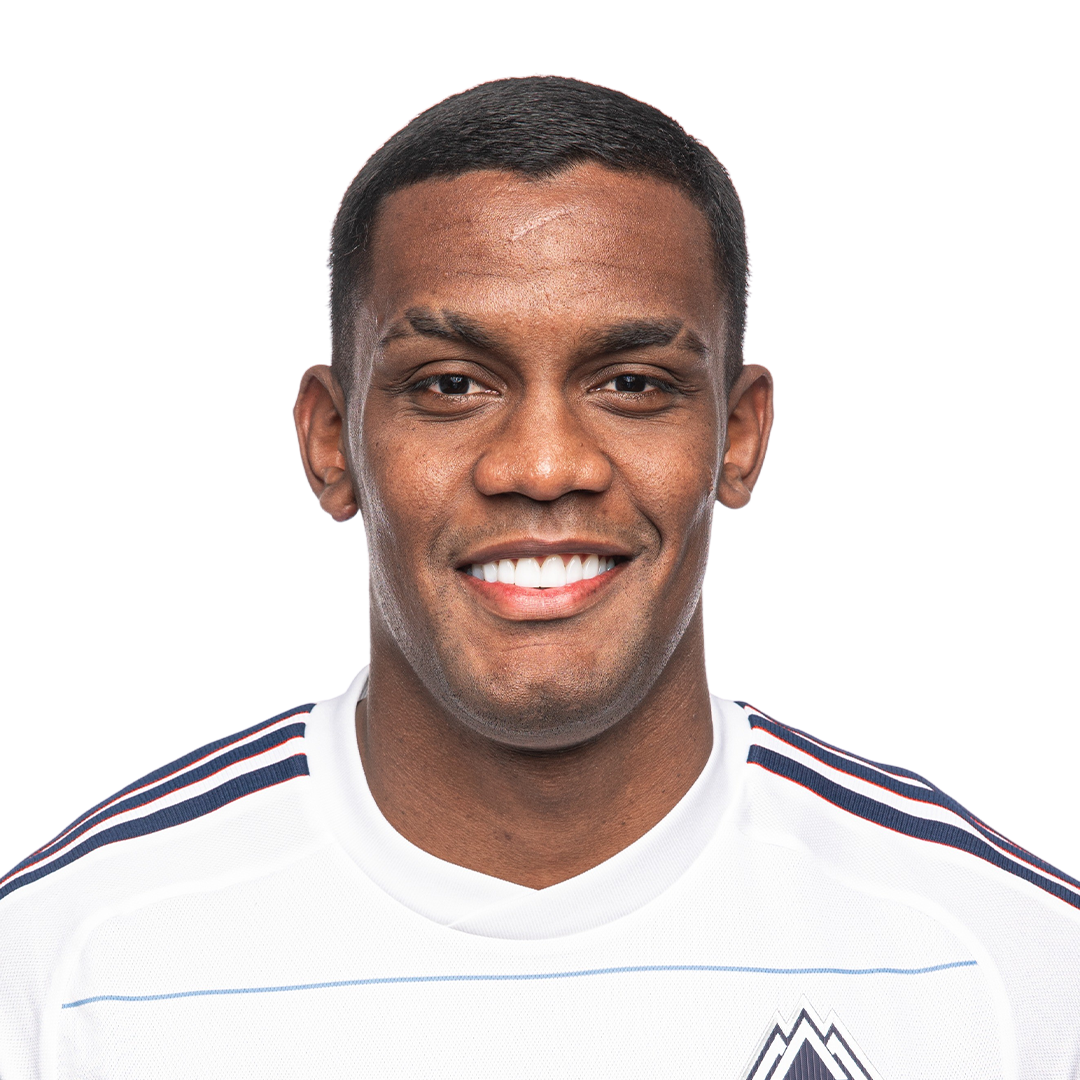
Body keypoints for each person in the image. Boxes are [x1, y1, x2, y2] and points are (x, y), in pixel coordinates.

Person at [1, 75, 1077, 1080]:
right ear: (333, 444)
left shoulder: (1002, 966)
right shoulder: (62, 972)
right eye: (452, 385)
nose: (545, 465)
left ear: (740, 439)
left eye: (634, 383)